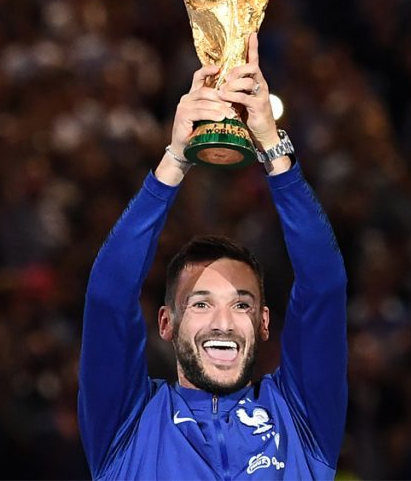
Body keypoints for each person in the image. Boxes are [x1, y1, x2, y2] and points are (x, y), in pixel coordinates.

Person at [79, 34, 348, 479]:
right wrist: (175, 160)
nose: (223, 322)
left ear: (263, 323)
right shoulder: (127, 427)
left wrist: (272, 147)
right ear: (167, 322)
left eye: (241, 304)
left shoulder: (300, 421)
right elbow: (108, 296)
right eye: (201, 303)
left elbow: (325, 286)